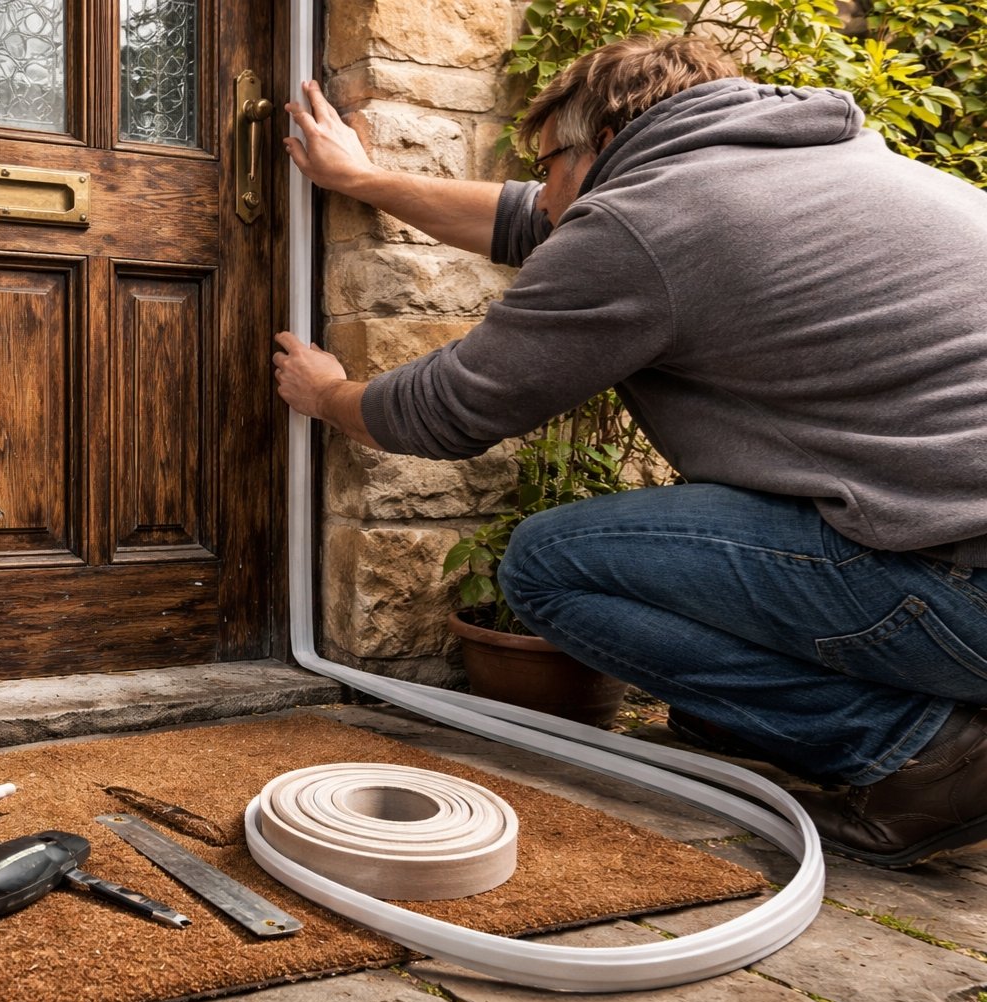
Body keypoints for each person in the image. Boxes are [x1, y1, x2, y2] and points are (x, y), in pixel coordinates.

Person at [272, 33, 987, 868]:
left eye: (548, 168)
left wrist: (326, 394)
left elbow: (449, 409)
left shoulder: (649, 219)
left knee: (547, 566)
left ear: (603, 145)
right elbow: (534, 220)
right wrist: (362, 180)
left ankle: (923, 754)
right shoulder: (846, 168)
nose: (542, 196)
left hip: (964, 591)